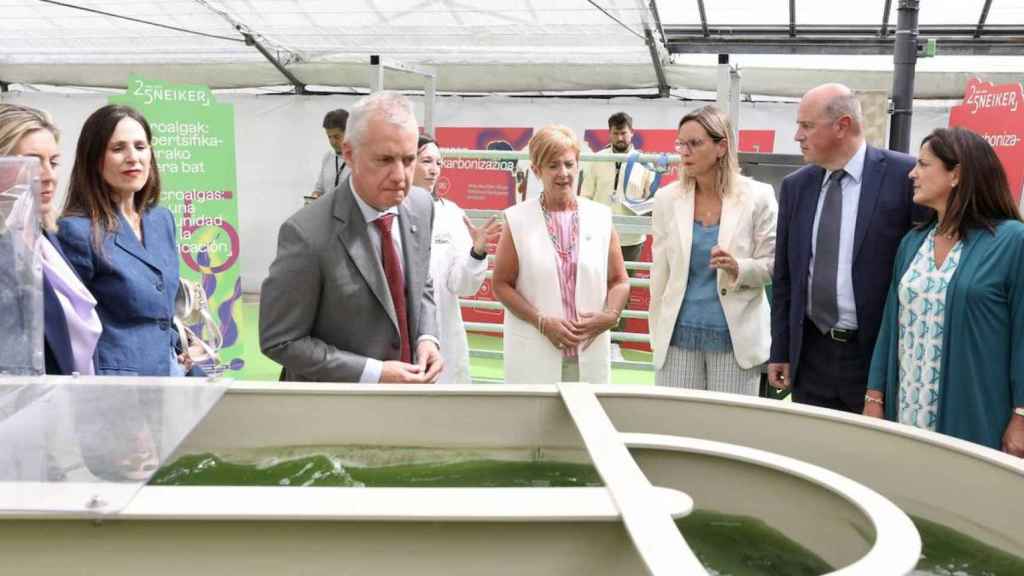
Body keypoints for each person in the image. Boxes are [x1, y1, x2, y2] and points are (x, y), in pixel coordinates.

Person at [260, 91, 443, 383]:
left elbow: (421, 285)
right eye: (384, 160)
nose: (400, 176)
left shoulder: (421, 207)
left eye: (409, 160)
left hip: (405, 406)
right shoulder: (306, 233)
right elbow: (281, 339)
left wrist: (427, 338)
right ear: (349, 154)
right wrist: (375, 372)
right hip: (333, 413)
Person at [866, 128, 1024, 456]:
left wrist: (1021, 417)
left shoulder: (1013, 242)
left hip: (976, 419)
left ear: (956, 175)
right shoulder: (912, 244)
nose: (912, 172)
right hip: (906, 414)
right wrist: (874, 397)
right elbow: (888, 327)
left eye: (924, 164)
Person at [768, 83, 923, 413]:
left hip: (874, 358)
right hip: (810, 353)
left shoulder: (904, 176)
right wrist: (781, 349)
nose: (797, 136)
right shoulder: (796, 187)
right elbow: (784, 276)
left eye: (807, 125)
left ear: (843, 126)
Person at [649, 105, 777, 395]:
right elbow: (660, 274)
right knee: (675, 433)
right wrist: (656, 334)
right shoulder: (666, 199)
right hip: (676, 339)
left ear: (721, 147)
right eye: (681, 143)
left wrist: (739, 268)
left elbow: (773, 264)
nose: (684, 152)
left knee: (729, 432)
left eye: (695, 143)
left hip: (736, 344)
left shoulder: (759, 197)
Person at [492, 125, 630, 384]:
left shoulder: (600, 217)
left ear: (578, 165)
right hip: (534, 355)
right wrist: (542, 322)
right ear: (536, 170)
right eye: (553, 166)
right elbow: (500, 284)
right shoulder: (518, 219)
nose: (563, 173)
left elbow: (619, 280)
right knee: (534, 424)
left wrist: (609, 316)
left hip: (590, 354)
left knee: (588, 421)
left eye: (569, 164)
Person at [57, 104, 181, 377]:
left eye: (140, 146)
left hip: (170, 376)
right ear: (93, 159)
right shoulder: (76, 231)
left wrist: (180, 347)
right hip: (115, 387)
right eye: (118, 149)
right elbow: (70, 328)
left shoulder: (161, 220)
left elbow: (163, 311)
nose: (133, 157)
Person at [414, 134, 502, 384]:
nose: (434, 170)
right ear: (408, 162)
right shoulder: (387, 211)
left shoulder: (452, 215)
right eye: (426, 161)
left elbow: (461, 285)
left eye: (439, 163)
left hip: (443, 332)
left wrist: (477, 252)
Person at [580, 112, 655, 265]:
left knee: (627, 284)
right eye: (616, 133)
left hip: (631, 238)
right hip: (599, 234)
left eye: (623, 133)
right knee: (598, 283)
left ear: (632, 133)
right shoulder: (597, 159)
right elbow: (585, 196)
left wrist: (644, 206)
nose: (620, 138)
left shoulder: (645, 162)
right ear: (609, 134)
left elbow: (651, 201)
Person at [311, 108, 350, 199]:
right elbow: (319, 189)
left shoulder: (361, 159)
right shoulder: (328, 157)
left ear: (349, 132)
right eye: (329, 137)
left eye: (337, 137)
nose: (332, 142)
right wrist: (314, 197)